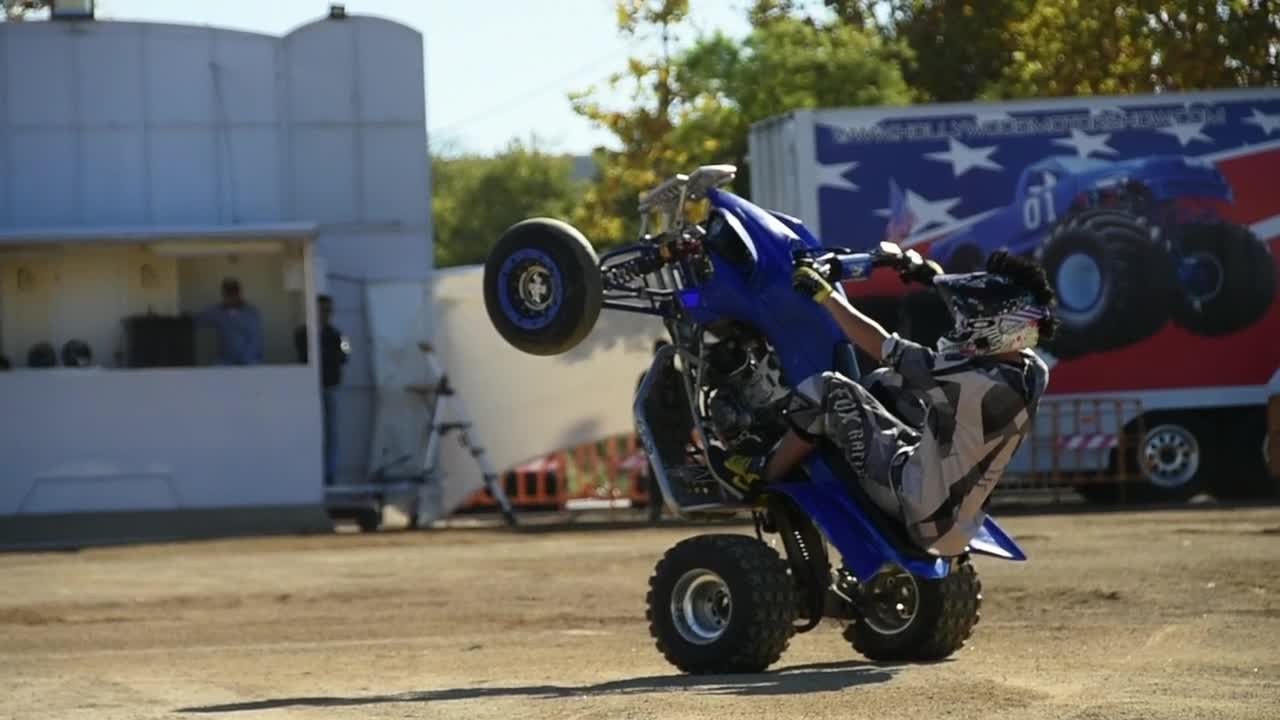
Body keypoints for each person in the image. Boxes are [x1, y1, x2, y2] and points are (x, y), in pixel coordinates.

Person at [712, 250, 1057, 557]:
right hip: (955, 515)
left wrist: (827, 296)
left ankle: (762, 473)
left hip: (919, 508)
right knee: (885, 383)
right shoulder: (1030, 371)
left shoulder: (969, 381)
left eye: (972, 318)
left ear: (1000, 328)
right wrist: (927, 276)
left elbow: (882, 345)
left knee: (828, 392)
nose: (962, 324)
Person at [295, 295, 350, 486]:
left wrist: (332, 356)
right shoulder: (302, 333)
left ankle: (328, 474)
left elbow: (346, 354)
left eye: (329, 310)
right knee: (307, 432)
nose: (327, 314)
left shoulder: (338, 335)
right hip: (307, 392)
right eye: (323, 310)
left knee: (330, 434)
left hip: (329, 387)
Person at [197, 278, 264, 366]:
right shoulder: (218, 311)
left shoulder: (251, 313)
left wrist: (244, 361)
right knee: (214, 368)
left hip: (249, 360)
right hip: (226, 360)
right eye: (226, 294)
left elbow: (255, 341)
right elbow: (199, 319)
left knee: (255, 367)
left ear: (238, 294)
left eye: (232, 294)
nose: (228, 298)